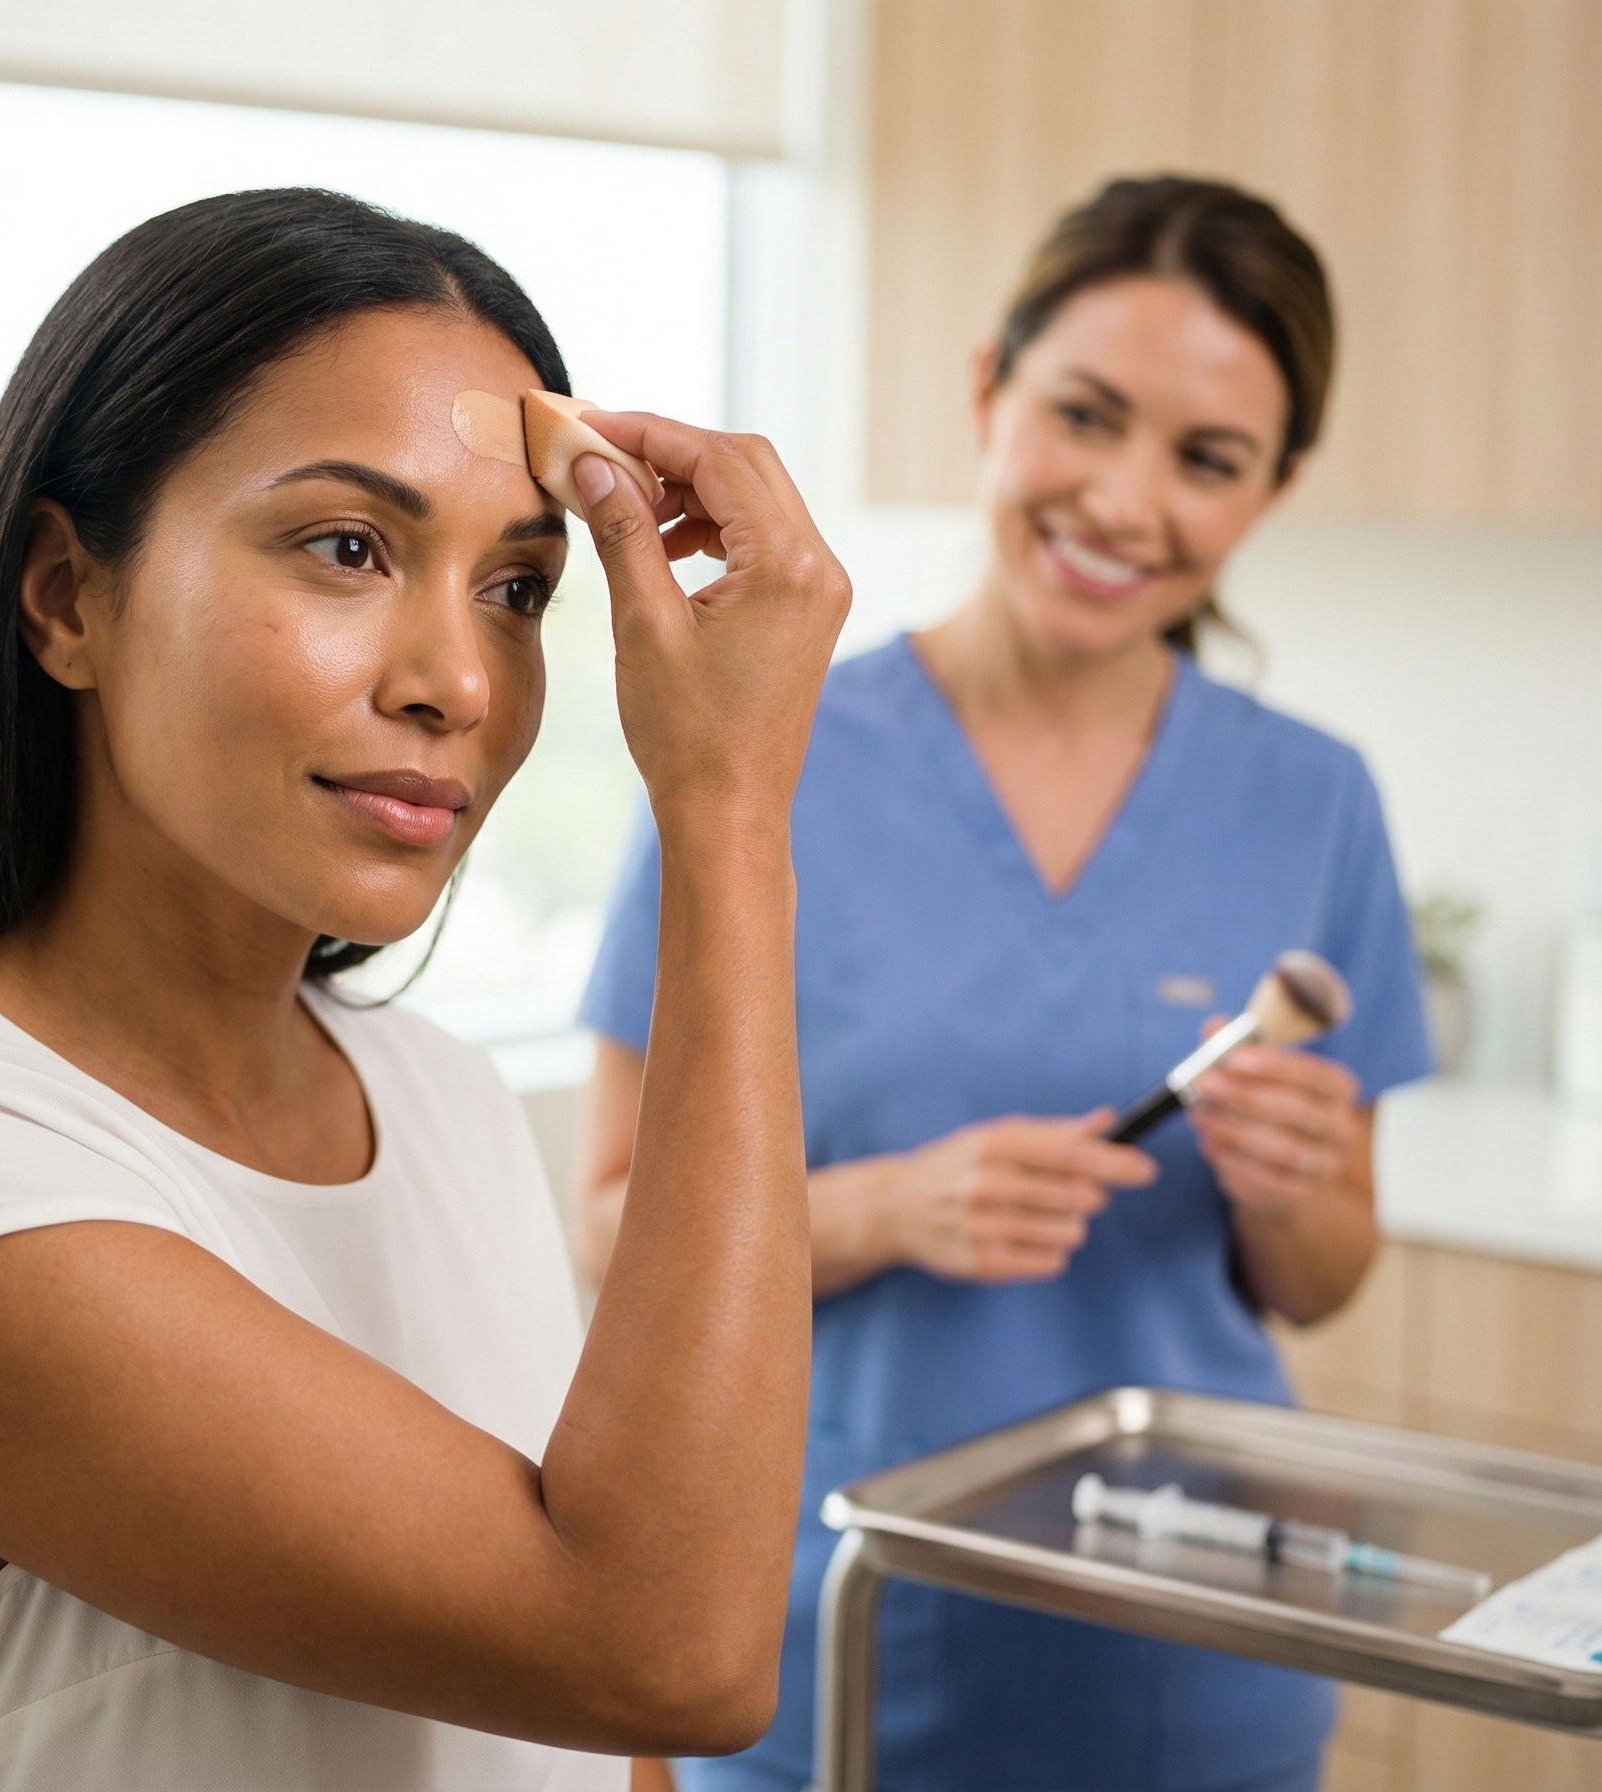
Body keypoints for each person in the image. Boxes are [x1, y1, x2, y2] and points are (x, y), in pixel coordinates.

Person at [0, 189, 850, 1791]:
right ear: (65, 597)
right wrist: (727, 819)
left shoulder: (440, 1099)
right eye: (348, 547)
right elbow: (661, 1654)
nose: (453, 681)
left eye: (516, 590)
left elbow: (598, 1756)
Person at [575, 176, 1434, 1792]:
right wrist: (889, 1208)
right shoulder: (765, 760)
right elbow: (609, 1228)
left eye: (1207, 459)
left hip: (1193, 1659)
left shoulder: (1317, 800)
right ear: (990, 390)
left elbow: (1322, 1278)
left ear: (1275, 487)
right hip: (831, 1642)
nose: (1125, 500)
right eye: (1085, 416)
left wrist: (1294, 1184)